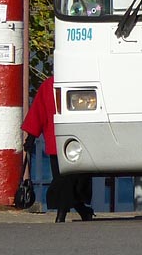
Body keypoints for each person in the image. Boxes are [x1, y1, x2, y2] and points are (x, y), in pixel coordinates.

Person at [22, 76, 95, 222]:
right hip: (77, 142)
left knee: (66, 182)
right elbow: (40, 111)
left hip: (59, 141)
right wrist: (31, 137)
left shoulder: (49, 84)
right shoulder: (81, 81)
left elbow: (38, 112)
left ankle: (69, 214)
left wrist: (31, 136)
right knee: (68, 182)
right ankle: (72, 213)